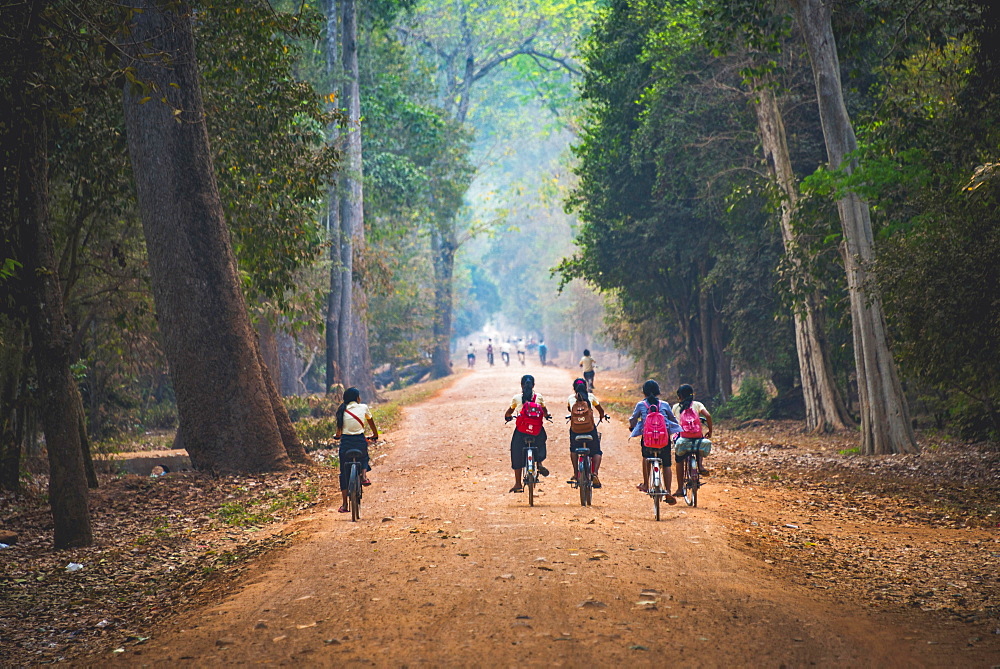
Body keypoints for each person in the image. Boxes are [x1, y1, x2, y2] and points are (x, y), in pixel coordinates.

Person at [628, 379, 679, 502]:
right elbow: (673, 419)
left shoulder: (641, 405)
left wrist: (632, 427)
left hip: (648, 440)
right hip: (664, 439)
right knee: (666, 464)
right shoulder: (665, 405)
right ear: (658, 392)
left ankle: (646, 484)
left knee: (646, 458)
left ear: (644, 392)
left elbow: (633, 419)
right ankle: (668, 491)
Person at [333, 387, 379, 513]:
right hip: (359, 440)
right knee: (364, 456)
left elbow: (339, 432)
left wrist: (337, 436)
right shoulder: (363, 407)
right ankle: (364, 476)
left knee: (343, 472)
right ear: (357, 398)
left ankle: (344, 505)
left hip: (346, 442)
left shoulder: (341, 410)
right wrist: (375, 435)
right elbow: (371, 423)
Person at [504, 374, 551, 492]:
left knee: (516, 450)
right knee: (541, 440)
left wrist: (508, 417)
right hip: (536, 430)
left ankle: (518, 483)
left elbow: (508, 412)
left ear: (521, 385)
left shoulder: (516, 398)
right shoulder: (538, 397)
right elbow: (545, 411)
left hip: (521, 431)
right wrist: (547, 415)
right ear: (533, 385)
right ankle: (539, 463)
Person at [672, 384, 713, 496]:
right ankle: (700, 465)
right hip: (696, 437)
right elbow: (708, 416)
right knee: (700, 442)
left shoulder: (676, 407)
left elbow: (672, 422)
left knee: (679, 459)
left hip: (683, 438)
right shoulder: (698, 405)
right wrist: (710, 431)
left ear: (679, 396)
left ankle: (680, 489)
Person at [566, 378, 607, 488]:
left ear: (574, 388)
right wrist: (602, 416)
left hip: (575, 431)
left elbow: (570, 410)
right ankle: (595, 473)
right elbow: (601, 410)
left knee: (573, 449)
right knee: (597, 451)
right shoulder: (591, 397)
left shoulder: (571, 398)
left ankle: (576, 473)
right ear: (586, 387)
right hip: (590, 430)